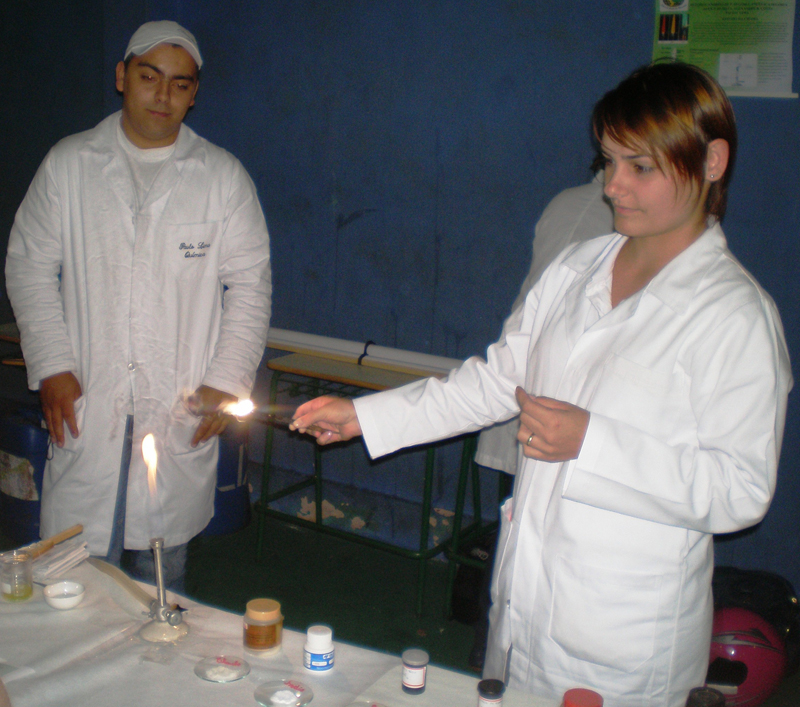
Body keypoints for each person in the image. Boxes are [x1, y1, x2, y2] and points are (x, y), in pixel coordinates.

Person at [290, 61, 792, 706]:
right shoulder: (579, 267)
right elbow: (502, 380)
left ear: (713, 162)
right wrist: (368, 417)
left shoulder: (736, 315)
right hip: (528, 598)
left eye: (641, 166)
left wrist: (592, 441)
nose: (614, 186)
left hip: (625, 637)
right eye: (608, 161)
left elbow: (741, 491)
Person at [5, 21, 271, 589]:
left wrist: (227, 379)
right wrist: (52, 364)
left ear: (194, 94)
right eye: (150, 77)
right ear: (122, 77)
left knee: (161, 576)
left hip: (177, 399)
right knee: (73, 578)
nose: (163, 95)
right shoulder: (69, 164)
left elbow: (250, 286)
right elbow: (28, 265)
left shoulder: (222, 179)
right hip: (88, 394)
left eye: (180, 84)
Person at [475, 173, 613, 475]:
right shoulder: (594, 213)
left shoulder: (569, 201)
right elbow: (487, 384)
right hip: (544, 380)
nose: (617, 186)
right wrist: (367, 417)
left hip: (563, 397)